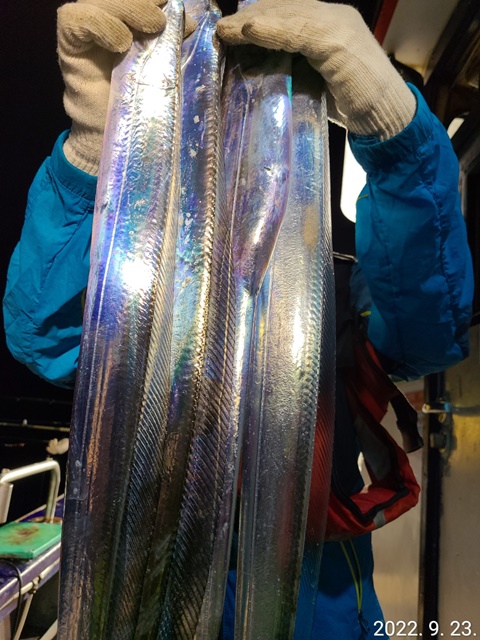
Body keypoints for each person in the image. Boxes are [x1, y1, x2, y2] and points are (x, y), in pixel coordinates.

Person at [3, 0, 473, 638]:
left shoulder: (332, 270)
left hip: (316, 602)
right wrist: (92, 151)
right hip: (145, 588)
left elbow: (429, 332)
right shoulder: (147, 262)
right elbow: (47, 338)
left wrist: (397, 133)